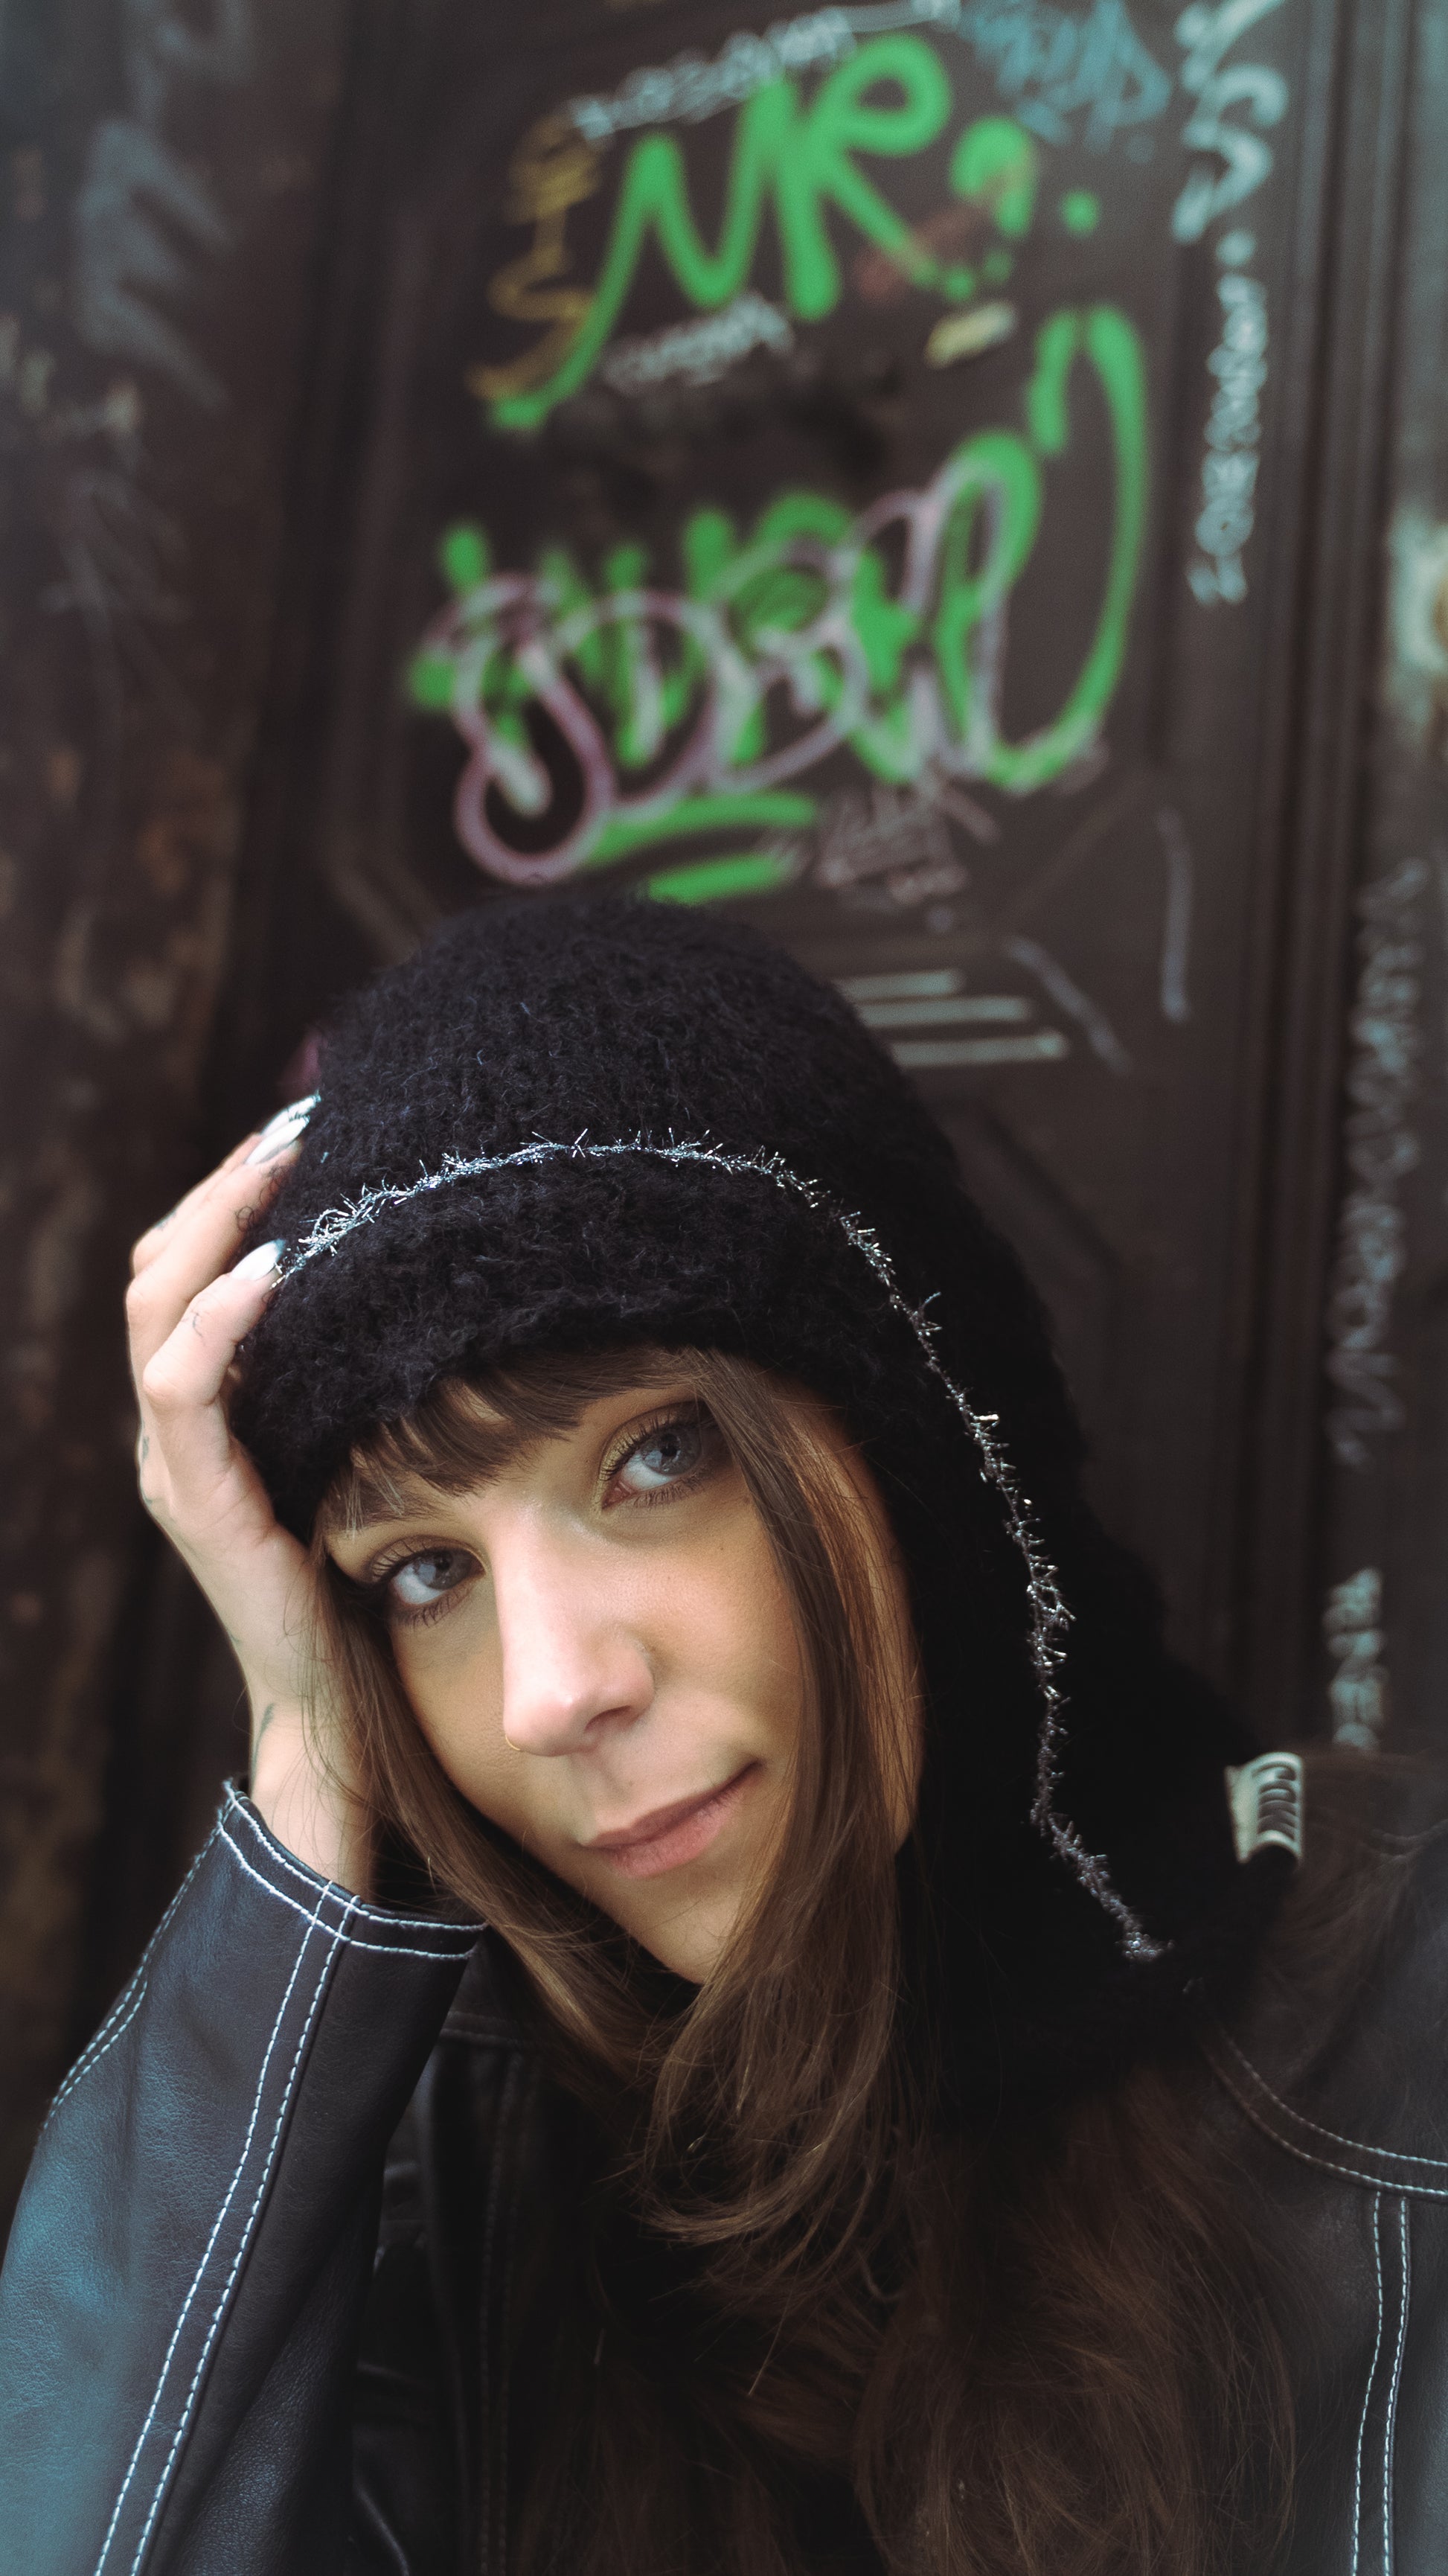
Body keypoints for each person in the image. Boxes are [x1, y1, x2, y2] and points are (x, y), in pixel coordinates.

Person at [1, 896, 1445, 2576]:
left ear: (916, 1438)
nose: (548, 1693)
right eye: (423, 1573)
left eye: (655, 1458)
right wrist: (311, 1748)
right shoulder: (437, 2165)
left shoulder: (1405, 2013)